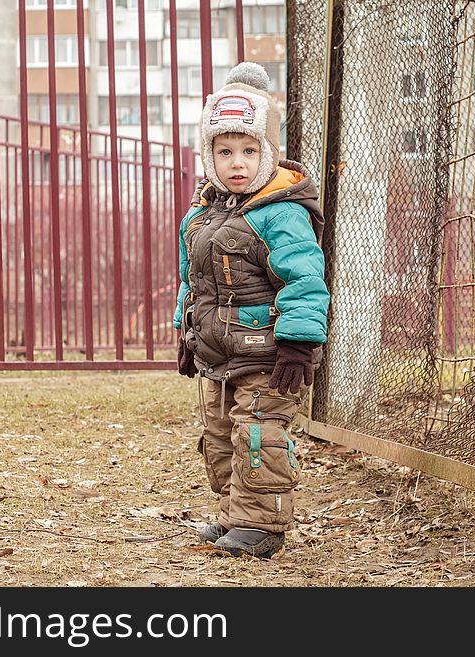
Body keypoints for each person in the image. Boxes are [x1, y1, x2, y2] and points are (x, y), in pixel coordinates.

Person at [173, 62, 329, 559]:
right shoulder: (201, 215)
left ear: (268, 153)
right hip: (220, 352)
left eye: (248, 150)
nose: (236, 163)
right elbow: (193, 284)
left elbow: (304, 278)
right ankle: (235, 513)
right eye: (224, 151)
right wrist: (187, 334)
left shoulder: (280, 212)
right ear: (208, 155)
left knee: (259, 433)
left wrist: (300, 342)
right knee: (220, 435)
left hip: (270, 353)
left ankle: (262, 525)